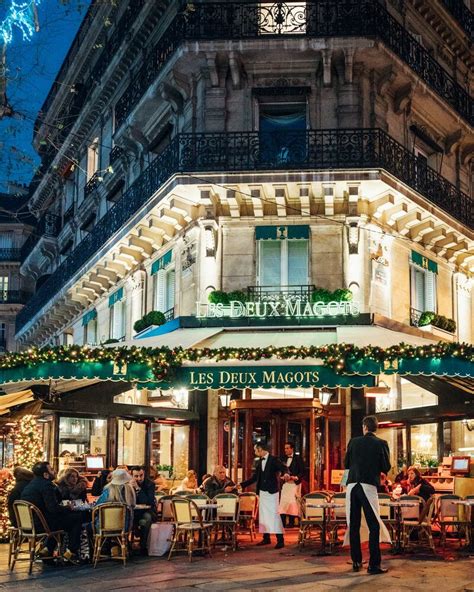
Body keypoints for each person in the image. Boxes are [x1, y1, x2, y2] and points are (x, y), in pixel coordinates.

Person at [344, 415, 391, 575]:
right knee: (374, 525)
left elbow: (346, 464)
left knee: (354, 525)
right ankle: (373, 564)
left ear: (364, 427)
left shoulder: (353, 442)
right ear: (375, 428)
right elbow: (386, 466)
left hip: (352, 485)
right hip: (368, 485)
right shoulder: (381, 443)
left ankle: (356, 562)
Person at [20, 461, 83, 560]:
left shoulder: (30, 485)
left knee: (62, 520)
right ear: (45, 474)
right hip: (42, 524)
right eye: (51, 470)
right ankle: (72, 552)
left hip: (29, 524)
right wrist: (68, 507)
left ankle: (48, 549)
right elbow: (53, 509)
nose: (54, 471)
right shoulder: (46, 486)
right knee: (76, 518)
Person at [239, 441, 288, 549]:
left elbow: (284, 468)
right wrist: (241, 485)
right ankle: (266, 538)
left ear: (260, 449)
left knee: (274, 515)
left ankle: (280, 540)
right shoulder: (259, 462)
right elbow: (255, 478)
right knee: (264, 516)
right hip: (262, 492)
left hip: (272, 492)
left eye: (255, 450)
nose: (255, 452)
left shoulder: (274, 459)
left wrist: (286, 474)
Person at [130, 466, 157, 555]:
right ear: (132, 476)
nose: (139, 478)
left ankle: (143, 545)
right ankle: (125, 545)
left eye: (141, 475)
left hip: (147, 511)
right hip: (133, 511)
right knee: (124, 517)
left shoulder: (150, 484)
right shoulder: (128, 485)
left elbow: (148, 502)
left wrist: (138, 488)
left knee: (147, 518)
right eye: (136, 476)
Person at [279, 442, 305, 528]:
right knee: (283, 503)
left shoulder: (298, 458)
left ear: (292, 449)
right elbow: (281, 471)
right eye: (285, 448)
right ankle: (282, 523)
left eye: (287, 448)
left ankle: (292, 522)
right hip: (286, 484)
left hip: (295, 484)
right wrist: (282, 476)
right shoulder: (283, 458)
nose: (285, 450)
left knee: (293, 502)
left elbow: (302, 471)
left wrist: (296, 477)